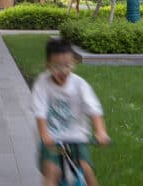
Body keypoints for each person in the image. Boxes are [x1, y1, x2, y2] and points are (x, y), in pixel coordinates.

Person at [32, 38, 110, 186]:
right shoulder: (42, 83)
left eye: (67, 65)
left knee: (86, 169)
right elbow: (40, 111)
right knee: (51, 171)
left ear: (73, 63)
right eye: (57, 67)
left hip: (77, 137)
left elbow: (94, 110)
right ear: (47, 66)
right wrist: (44, 134)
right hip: (52, 138)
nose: (63, 71)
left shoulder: (80, 85)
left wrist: (101, 132)